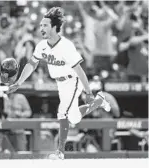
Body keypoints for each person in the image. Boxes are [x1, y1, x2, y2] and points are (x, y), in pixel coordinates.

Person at [8, 7, 110, 159]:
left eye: (45, 25)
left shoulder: (66, 46)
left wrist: (88, 92)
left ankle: (60, 152)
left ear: (54, 27)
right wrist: (19, 82)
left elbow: (80, 71)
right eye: (41, 25)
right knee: (74, 118)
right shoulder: (41, 45)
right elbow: (31, 64)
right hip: (61, 84)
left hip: (73, 80)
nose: (41, 28)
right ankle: (99, 101)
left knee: (62, 112)